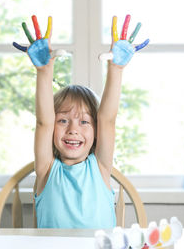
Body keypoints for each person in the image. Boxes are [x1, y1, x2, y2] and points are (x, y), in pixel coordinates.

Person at [13, 15, 149, 228]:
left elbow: (107, 120)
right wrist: (44, 72)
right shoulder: (46, 169)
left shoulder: (101, 167)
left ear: (96, 131)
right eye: (63, 120)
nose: (73, 130)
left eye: (85, 122)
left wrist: (116, 70)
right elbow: (43, 122)